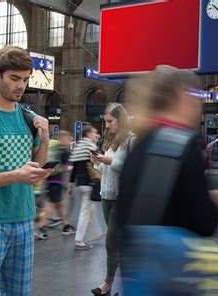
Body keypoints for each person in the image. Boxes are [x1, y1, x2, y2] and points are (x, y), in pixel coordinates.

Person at [117, 66, 218, 294]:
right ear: (182, 96)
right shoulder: (184, 144)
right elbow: (203, 223)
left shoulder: (140, 143)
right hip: (172, 278)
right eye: (195, 97)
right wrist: (213, 201)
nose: (197, 105)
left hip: (139, 273)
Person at [0, 46, 51, 295]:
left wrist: (46, 140)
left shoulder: (30, 118)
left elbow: (37, 166)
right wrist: (16, 175)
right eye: (14, 78)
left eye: (26, 79)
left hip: (24, 220)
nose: (21, 86)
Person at [90, 103, 133, 295]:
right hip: (106, 195)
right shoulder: (112, 141)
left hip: (121, 198)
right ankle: (126, 282)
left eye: (110, 121)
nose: (106, 125)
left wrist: (111, 162)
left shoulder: (132, 140)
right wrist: (97, 162)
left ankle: (108, 283)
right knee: (118, 242)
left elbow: (132, 168)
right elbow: (104, 170)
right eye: (105, 121)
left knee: (112, 241)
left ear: (120, 120)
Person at [34, 131, 75, 239]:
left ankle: (66, 225)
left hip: (50, 180)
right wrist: (67, 169)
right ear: (64, 138)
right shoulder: (63, 150)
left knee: (59, 205)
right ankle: (40, 227)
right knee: (50, 205)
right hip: (57, 181)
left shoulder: (54, 147)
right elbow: (67, 167)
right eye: (67, 138)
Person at [69, 125, 100, 250]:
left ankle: (96, 233)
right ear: (88, 133)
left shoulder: (80, 146)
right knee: (85, 211)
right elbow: (98, 162)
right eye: (94, 132)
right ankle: (79, 240)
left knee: (90, 209)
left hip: (80, 183)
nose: (96, 135)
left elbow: (74, 169)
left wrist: (70, 185)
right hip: (88, 183)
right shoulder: (90, 146)